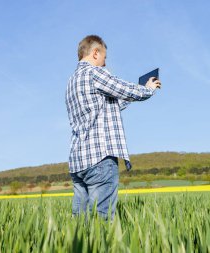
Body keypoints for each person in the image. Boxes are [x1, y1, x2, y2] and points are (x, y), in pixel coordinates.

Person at [65, 35, 161, 219]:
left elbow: (107, 105)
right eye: (104, 57)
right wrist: (148, 89)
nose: (104, 62)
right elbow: (125, 89)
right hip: (99, 158)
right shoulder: (94, 73)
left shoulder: (71, 82)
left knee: (80, 223)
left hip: (78, 161)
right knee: (102, 222)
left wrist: (130, 98)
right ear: (95, 53)